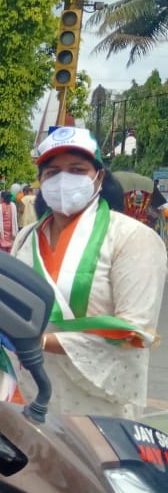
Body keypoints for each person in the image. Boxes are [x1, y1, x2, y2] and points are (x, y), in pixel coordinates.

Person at [11, 127, 167, 418]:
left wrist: (38, 342)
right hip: (36, 392)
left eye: (77, 169)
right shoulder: (26, 237)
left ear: (99, 176)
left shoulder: (131, 237)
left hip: (101, 402)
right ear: (41, 179)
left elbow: (132, 330)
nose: (63, 179)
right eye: (52, 171)